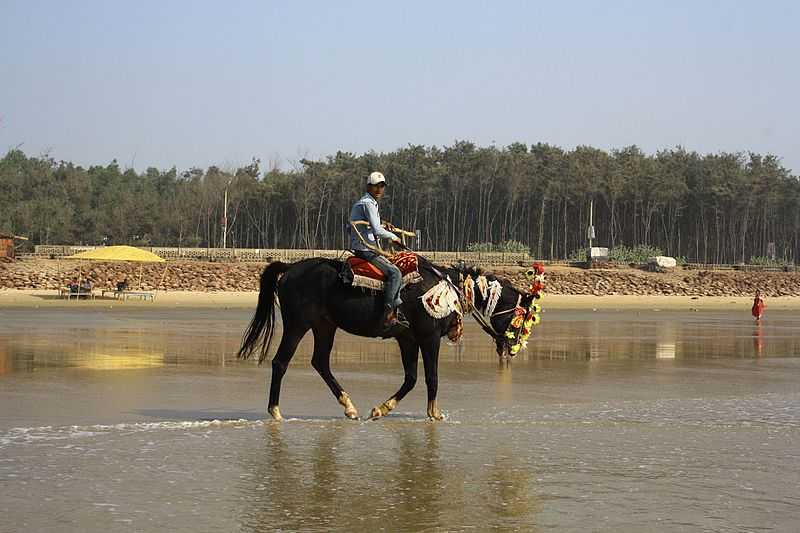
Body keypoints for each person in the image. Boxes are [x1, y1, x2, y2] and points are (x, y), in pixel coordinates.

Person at [350, 171, 406, 329]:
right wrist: (394, 237)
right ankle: (388, 312)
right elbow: (376, 229)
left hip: (366, 246)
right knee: (395, 273)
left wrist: (383, 224)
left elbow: (375, 224)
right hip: (364, 249)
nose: (380, 189)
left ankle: (396, 305)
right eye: (376, 186)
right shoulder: (368, 203)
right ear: (369, 187)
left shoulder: (370, 202)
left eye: (382, 186)